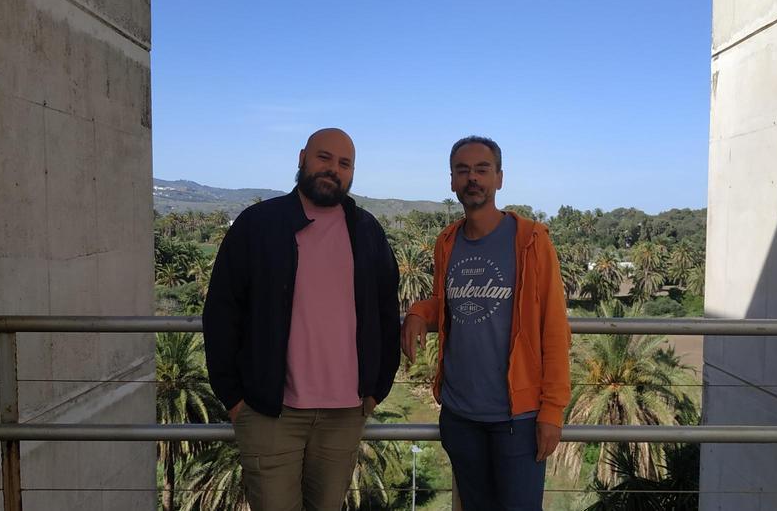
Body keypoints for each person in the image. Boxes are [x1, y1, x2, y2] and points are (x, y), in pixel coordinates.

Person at [203, 128, 401, 511]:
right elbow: (222, 311)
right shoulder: (258, 224)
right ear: (301, 158)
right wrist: (234, 398)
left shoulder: (367, 231)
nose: (333, 169)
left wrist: (377, 389)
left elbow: (386, 312)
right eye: (324, 157)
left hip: (344, 415)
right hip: (269, 413)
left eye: (344, 163)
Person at [402, 135, 571, 510]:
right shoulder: (447, 241)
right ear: (451, 181)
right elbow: (449, 304)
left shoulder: (531, 240)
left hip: (519, 420)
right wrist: (419, 311)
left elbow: (554, 330)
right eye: (463, 171)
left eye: (482, 169)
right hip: (460, 415)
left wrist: (552, 411)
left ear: (499, 178)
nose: (472, 178)